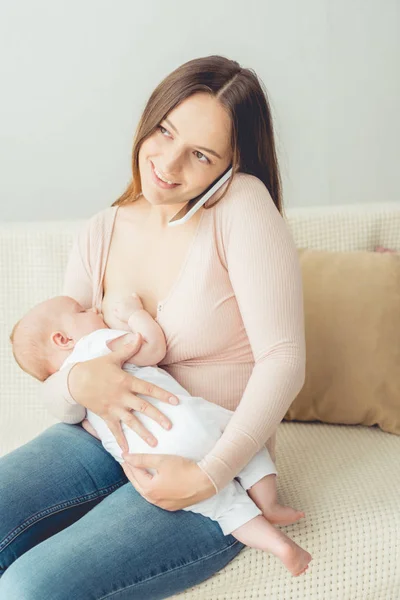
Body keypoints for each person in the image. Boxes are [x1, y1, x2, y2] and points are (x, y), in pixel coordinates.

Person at [0, 55, 307, 598]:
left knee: (29, 587)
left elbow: (284, 360)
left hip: (210, 458)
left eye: (201, 154)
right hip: (99, 441)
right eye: (164, 131)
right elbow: (54, 374)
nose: (168, 162)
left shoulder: (241, 208)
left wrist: (211, 474)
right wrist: (76, 383)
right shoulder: (102, 229)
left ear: (230, 164)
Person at [9, 293, 312, 577]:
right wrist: (135, 314)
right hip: (187, 419)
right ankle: (269, 502)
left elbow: (92, 429)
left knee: (224, 508)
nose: (94, 309)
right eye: (82, 311)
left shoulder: (81, 401)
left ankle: (280, 547)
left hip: (152, 462)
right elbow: (153, 347)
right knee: (247, 437)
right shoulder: (98, 344)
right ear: (63, 339)